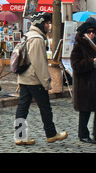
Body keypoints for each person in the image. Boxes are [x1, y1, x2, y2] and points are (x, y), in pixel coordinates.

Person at [14, 12, 67, 145]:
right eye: (47, 23)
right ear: (40, 24)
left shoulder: (27, 36)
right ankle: (51, 134)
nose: (49, 26)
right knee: (45, 108)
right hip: (34, 79)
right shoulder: (37, 39)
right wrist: (46, 82)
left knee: (22, 107)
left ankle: (20, 136)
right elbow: (40, 64)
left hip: (24, 78)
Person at [70, 17, 96, 144]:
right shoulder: (79, 45)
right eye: (89, 31)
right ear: (84, 31)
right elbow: (75, 65)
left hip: (94, 83)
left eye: (94, 31)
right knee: (85, 111)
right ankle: (83, 134)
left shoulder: (94, 44)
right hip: (84, 84)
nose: (92, 34)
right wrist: (92, 62)